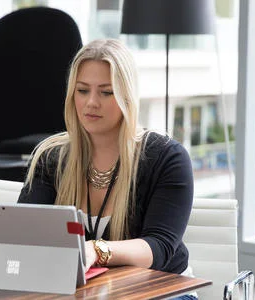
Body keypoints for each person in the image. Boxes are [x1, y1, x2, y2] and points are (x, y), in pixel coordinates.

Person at [18, 39, 195, 299]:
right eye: (82, 90)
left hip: (162, 292)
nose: (91, 102)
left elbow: (159, 248)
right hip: (89, 292)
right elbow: (23, 231)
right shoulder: (52, 157)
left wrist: (96, 250)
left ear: (126, 96)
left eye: (106, 92)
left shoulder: (167, 158)